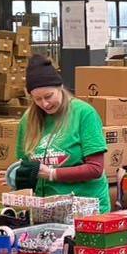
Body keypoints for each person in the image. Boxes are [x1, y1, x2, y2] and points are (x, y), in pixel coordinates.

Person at [9, 54, 110, 210]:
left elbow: (95, 169)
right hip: (47, 208)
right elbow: (26, 164)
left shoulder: (84, 114)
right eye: (37, 99)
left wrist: (52, 174)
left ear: (60, 87)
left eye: (49, 96)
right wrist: (17, 177)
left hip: (85, 207)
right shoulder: (28, 119)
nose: (45, 104)